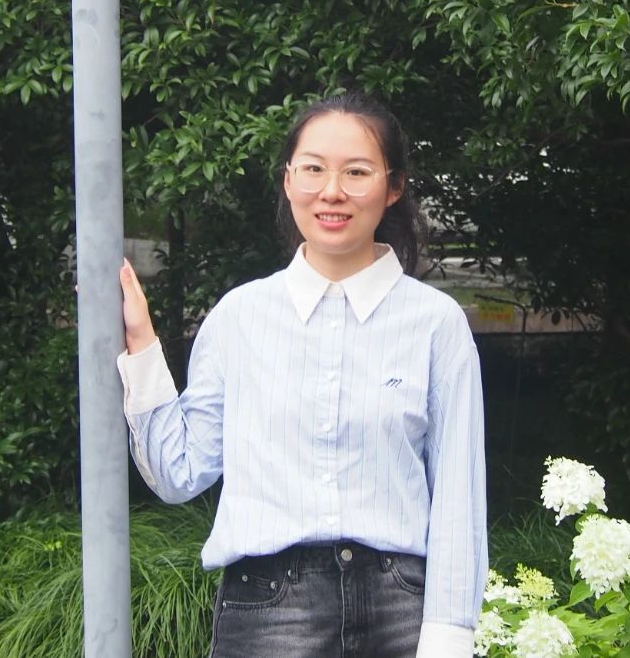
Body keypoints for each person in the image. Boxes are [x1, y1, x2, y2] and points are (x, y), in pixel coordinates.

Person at [117, 93, 486, 657]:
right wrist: (142, 343)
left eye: (356, 172)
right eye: (313, 169)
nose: (331, 191)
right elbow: (178, 472)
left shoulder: (436, 324)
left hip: (401, 610)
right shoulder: (240, 317)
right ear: (289, 180)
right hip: (268, 611)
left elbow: (459, 495)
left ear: (393, 186)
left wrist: (450, 637)